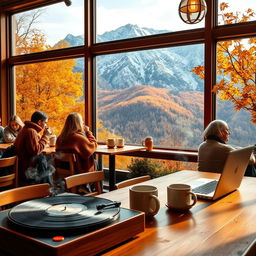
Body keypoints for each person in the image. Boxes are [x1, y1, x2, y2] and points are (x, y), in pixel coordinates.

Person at [14, 110, 52, 186]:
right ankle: (47, 188)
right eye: (45, 122)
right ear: (40, 122)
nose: (46, 125)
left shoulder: (26, 129)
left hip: (22, 165)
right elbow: (35, 151)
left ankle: (47, 187)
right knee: (45, 160)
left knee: (45, 160)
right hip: (27, 169)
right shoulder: (31, 131)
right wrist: (46, 136)